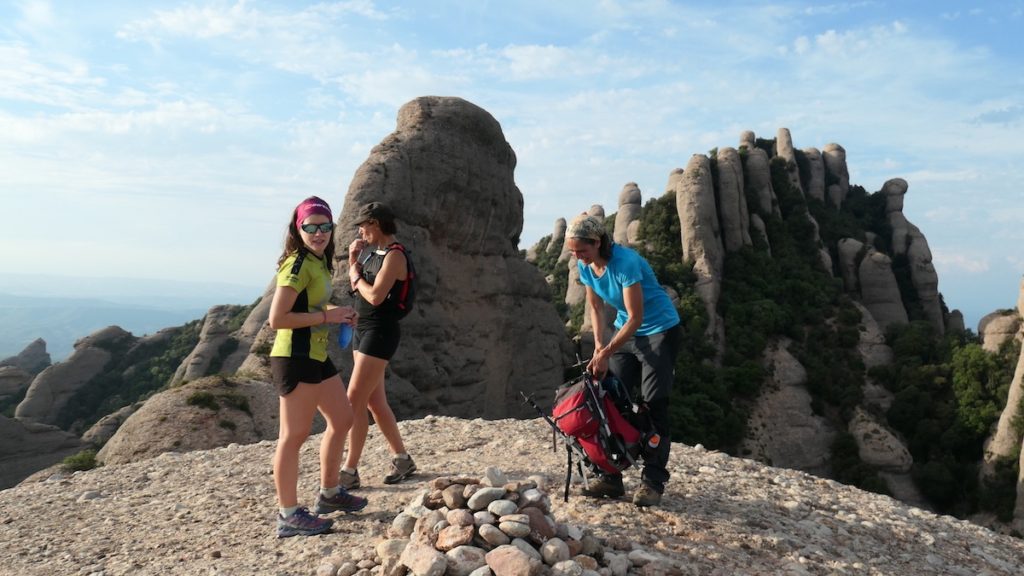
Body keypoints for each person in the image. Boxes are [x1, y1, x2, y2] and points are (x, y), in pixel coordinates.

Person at [565, 213, 681, 507]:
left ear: (598, 242)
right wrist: (599, 347)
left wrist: (606, 352)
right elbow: (596, 308)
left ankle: (653, 481)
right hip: (624, 334)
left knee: (654, 404)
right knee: (607, 398)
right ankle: (610, 476)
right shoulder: (586, 265)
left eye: (582, 250)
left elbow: (636, 317)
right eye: (574, 251)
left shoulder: (626, 263)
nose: (578, 256)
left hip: (658, 332)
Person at [268, 196, 368, 538]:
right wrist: (328, 316)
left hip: (315, 353)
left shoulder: (319, 261)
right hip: (294, 356)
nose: (319, 232)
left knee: (343, 418)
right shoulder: (296, 264)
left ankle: (329, 494)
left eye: (325, 226)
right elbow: (276, 318)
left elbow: (309, 303)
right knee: (293, 437)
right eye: (310, 226)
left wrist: (336, 312)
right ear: (299, 229)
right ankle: (289, 515)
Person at [340, 201, 416, 489]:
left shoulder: (395, 256)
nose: (360, 230)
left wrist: (355, 274)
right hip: (363, 330)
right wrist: (353, 260)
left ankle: (349, 471)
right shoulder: (376, 253)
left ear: (375, 223)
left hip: (380, 333)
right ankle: (402, 459)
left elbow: (374, 296)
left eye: (363, 224)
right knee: (375, 402)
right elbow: (361, 290)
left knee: (353, 401)